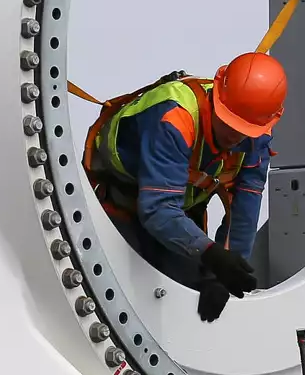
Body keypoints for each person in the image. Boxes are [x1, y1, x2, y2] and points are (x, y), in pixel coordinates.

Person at [82, 52, 286, 322]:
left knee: (191, 295)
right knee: (121, 300)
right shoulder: (174, 117)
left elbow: (244, 209)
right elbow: (158, 209)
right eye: (228, 122)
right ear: (217, 96)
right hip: (122, 203)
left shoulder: (256, 132)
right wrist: (211, 254)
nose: (234, 135)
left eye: (244, 130)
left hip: (181, 209)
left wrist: (223, 274)